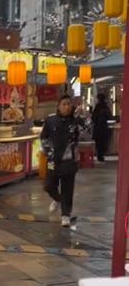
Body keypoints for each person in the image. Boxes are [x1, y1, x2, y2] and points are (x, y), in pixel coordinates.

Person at [41, 94, 87, 228]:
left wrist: (81, 119)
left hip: (69, 160)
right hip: (53, 160)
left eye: (69, 104)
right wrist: (48, 152)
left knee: (68, 188)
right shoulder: (51, 121)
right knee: (49, 186)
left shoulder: (76, 121)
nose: (67, 107)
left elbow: (87, 133)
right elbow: (44, 138)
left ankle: (65, 214)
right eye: (64, 104)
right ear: (58, 107)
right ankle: (58, 199)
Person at [91, 92, 112, 163]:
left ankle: (99, 156)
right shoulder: (106, 107)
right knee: (103, 142)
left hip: (97, 128)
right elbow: (109, 116)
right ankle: (101, 156)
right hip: (104, 127)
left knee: (98, 143)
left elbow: (93, 117)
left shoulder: (97, 107)